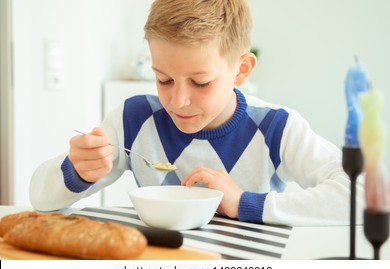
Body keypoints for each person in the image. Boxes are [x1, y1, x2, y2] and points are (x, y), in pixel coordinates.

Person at [30, 0, 364, 225]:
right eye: (163, 79)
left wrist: (246, 203)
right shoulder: (133, 121)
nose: (177, 101)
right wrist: (76, 171)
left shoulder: (277, 127)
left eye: (200, 82)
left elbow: (363, 195)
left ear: (242, 69)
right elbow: (39, 199)